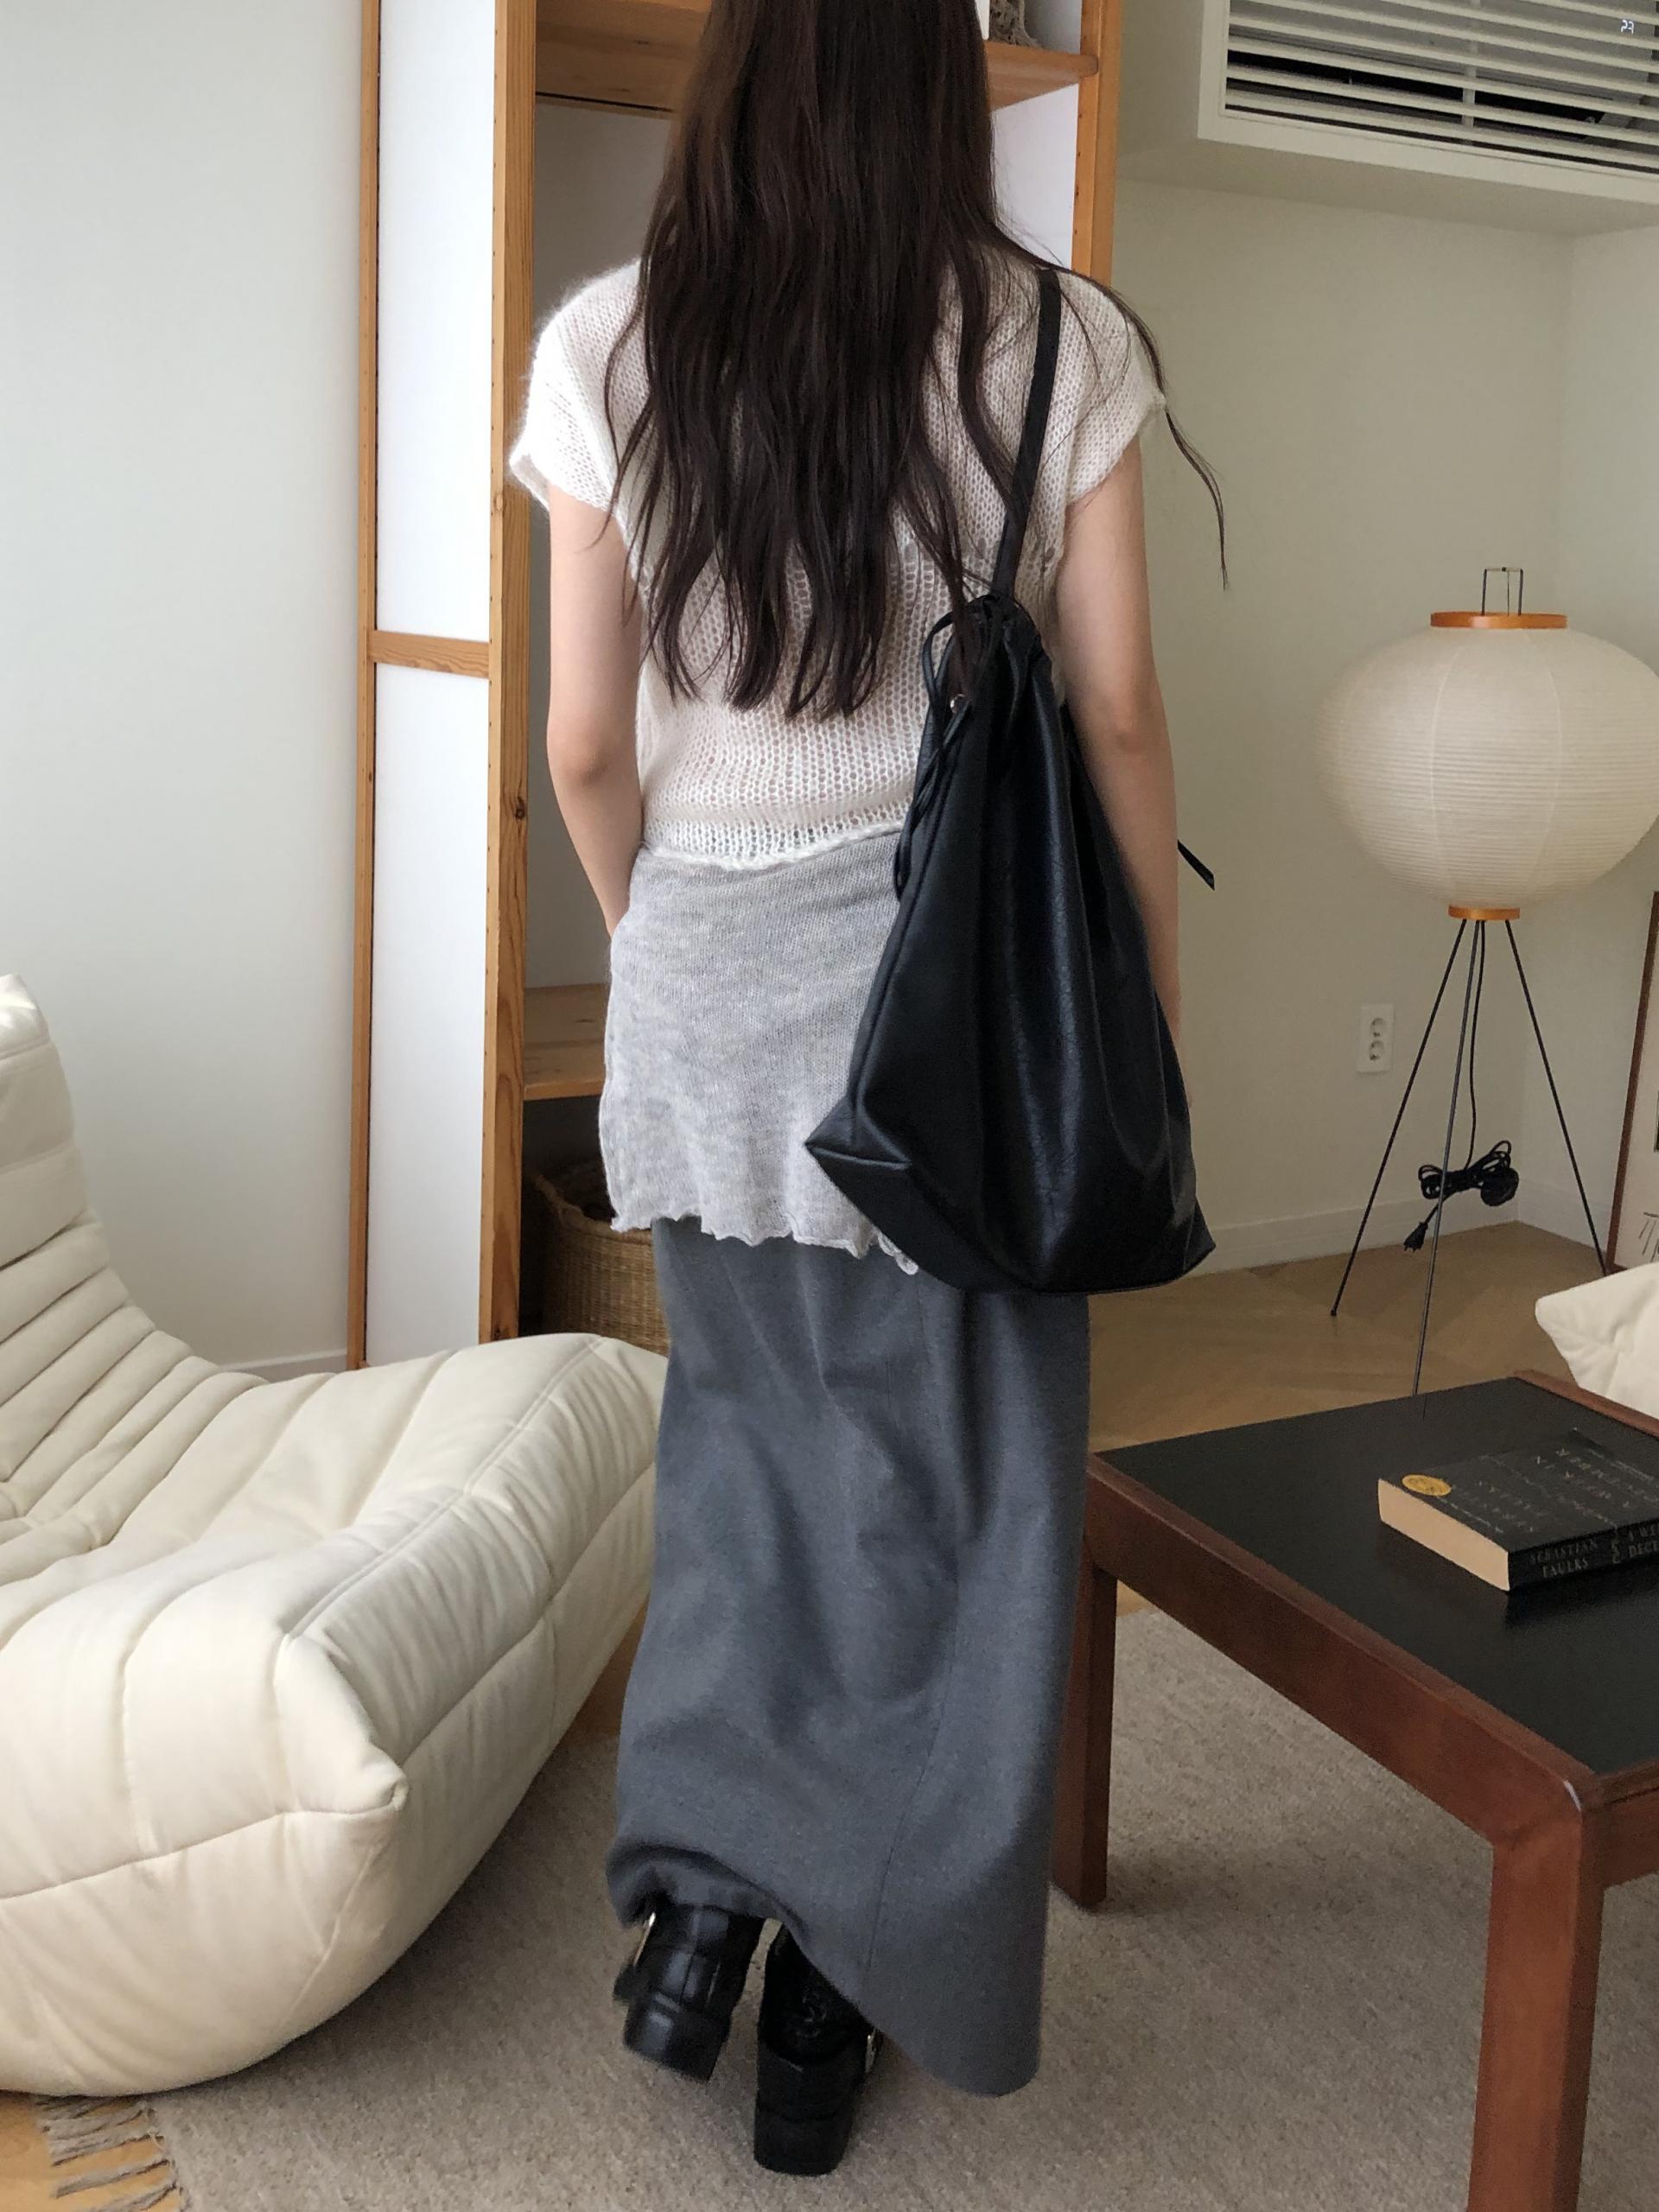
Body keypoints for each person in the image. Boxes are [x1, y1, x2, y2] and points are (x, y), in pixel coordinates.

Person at [508, 0, 1217, 2177]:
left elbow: (585, 744)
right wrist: (1143, 1008)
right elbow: (1118, 716)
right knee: (962, 1517)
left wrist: (662, 950)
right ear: (936, 84)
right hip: (959, 1022)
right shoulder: (1058, 341)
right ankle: (836, 1998)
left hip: (703, 998)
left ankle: (703, 1915)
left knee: (746, 1469)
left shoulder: (612, 341)